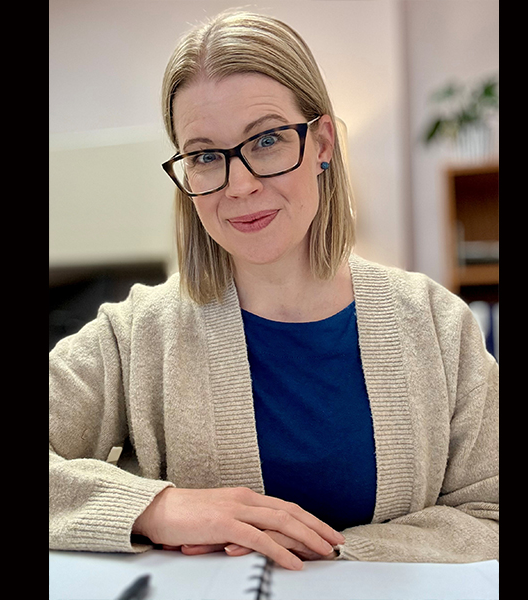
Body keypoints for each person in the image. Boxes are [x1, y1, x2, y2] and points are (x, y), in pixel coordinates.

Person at [48, 10, 498, 571]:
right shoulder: (136, 334)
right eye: (206, 155)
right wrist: (156, 508)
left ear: (322, 143)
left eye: (265, 141)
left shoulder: (437, 324)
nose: (239, 185)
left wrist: (332, 553)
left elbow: (490, 509)